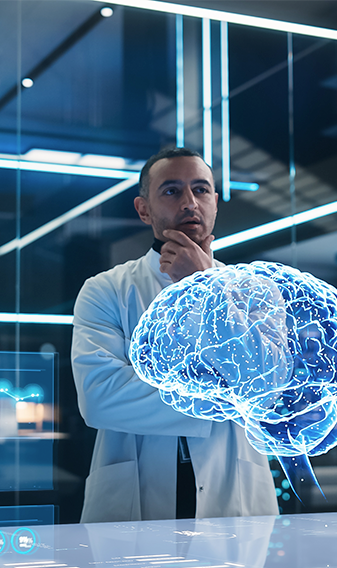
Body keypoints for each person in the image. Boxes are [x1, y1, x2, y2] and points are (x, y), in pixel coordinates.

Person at [71, 148, 279, 523]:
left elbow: (269, 383)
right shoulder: (106, 290)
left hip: (235, 498)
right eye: (171, 191)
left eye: (201, 190)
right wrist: (225, 394)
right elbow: (100, 397)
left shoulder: (255, 292)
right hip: (132, 501)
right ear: (143, 209)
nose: (189, 203)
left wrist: (205, 285)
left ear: (215, 202)